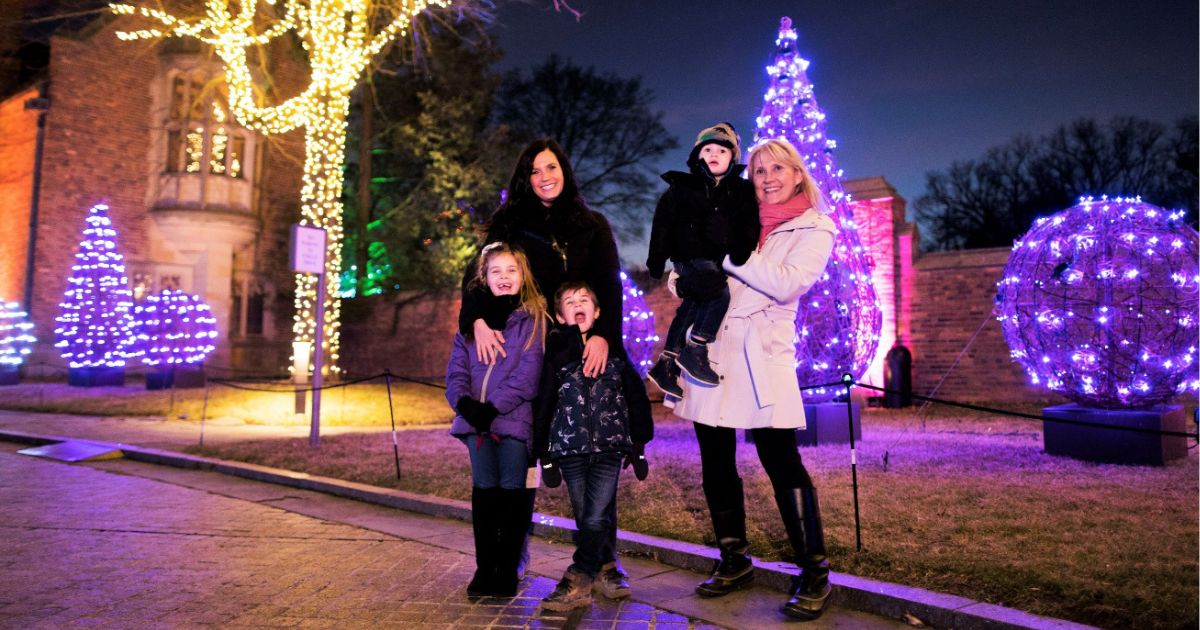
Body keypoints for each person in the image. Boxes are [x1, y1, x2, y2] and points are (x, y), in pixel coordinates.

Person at [457, 138, 633, 594]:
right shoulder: (510, 224)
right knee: (525, 456)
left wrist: (603, 338)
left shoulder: (592, 225)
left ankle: (604, 558)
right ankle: (508, 560)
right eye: (534, 170)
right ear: (524, 178)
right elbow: (477, 276)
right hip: (533, 349)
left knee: (597, 451)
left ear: (564, 171)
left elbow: (608, 288)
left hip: (584, 348)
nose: (543, 176)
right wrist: (474, 318)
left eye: (550, 167)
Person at [671, 138, 837, 620]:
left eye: (778, 169)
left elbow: (787, 283)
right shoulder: (734, 214)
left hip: (761, 356)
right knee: (715, 459)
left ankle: (814, 571)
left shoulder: (816, 227)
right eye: (759, 170)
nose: (767, 178)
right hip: (713, 351)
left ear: (798, 174)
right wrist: (682, 280)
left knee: (780, 459)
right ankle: (734, 559)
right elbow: (687, 263)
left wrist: (727, 250)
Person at [532, 281, 653, 612]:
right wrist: (543, 456)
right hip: (569, 451)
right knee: (588, 516)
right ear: (559, 315)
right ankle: (602, 570)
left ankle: (577, 576)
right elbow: (543, 404)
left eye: (585, 300)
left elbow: (635, 398)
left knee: (597, 514)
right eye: (569, 302)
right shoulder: (555, 355)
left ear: (597, 311)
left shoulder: (613, 350)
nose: (578, 304)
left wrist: (639, 447)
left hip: (608, 450)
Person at [445, 242, 548, 597]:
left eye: (511, 271)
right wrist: (465, 404)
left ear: (523, 276)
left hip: (513, 423)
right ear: (483, 278)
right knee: (484, 495)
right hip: (475, 425)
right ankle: (484, 567)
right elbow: (456, 370)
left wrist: (494, 408)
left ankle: (506, 567)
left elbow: (528, 374)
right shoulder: (470, 325)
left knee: (512, 496)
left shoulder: (533, 320)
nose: (504, 278)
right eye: (496, 272)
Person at [645, 122, 759, 396]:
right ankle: (697, 345)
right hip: (687, 256)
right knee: (718, 293)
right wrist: (656, 259)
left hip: (716, 257)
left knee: (693, 306)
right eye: (707, 149)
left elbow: (749, 225)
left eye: (722, 149)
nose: (714, 154)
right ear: (697, 156)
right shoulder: (683, 187)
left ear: (733, 156)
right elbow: (663, 222)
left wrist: (739, 246)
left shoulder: (740, 192)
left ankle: (667, 362)